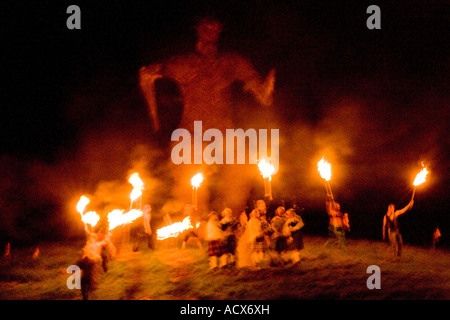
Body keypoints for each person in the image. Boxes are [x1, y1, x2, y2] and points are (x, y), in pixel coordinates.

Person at [139, 17, 276, 213]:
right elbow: (146, 75)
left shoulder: (231, 62)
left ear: (220, 31)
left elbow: (261, 93)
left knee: (239, 175)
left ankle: (232, 222)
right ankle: (193, 224)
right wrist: (154, 118)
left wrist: (265, 92)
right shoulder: (185, 64)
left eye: (215, 28)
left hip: (224, 132)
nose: (211, 32)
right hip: (192, 133)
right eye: (206, 28)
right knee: (189, 188)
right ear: (197, 31)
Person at [77, 226, 116, 300]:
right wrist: (85, 227)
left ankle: (89, 294)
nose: (92, 237)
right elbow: (88, 234)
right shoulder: (88, 243)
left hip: (92, 264)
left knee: (90, 281)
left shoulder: (98, 244)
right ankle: (85, 295)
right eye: (92, 237)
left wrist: (108, 236)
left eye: (94, 237)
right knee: (83, 281)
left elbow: (105, 241)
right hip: (86, 262)